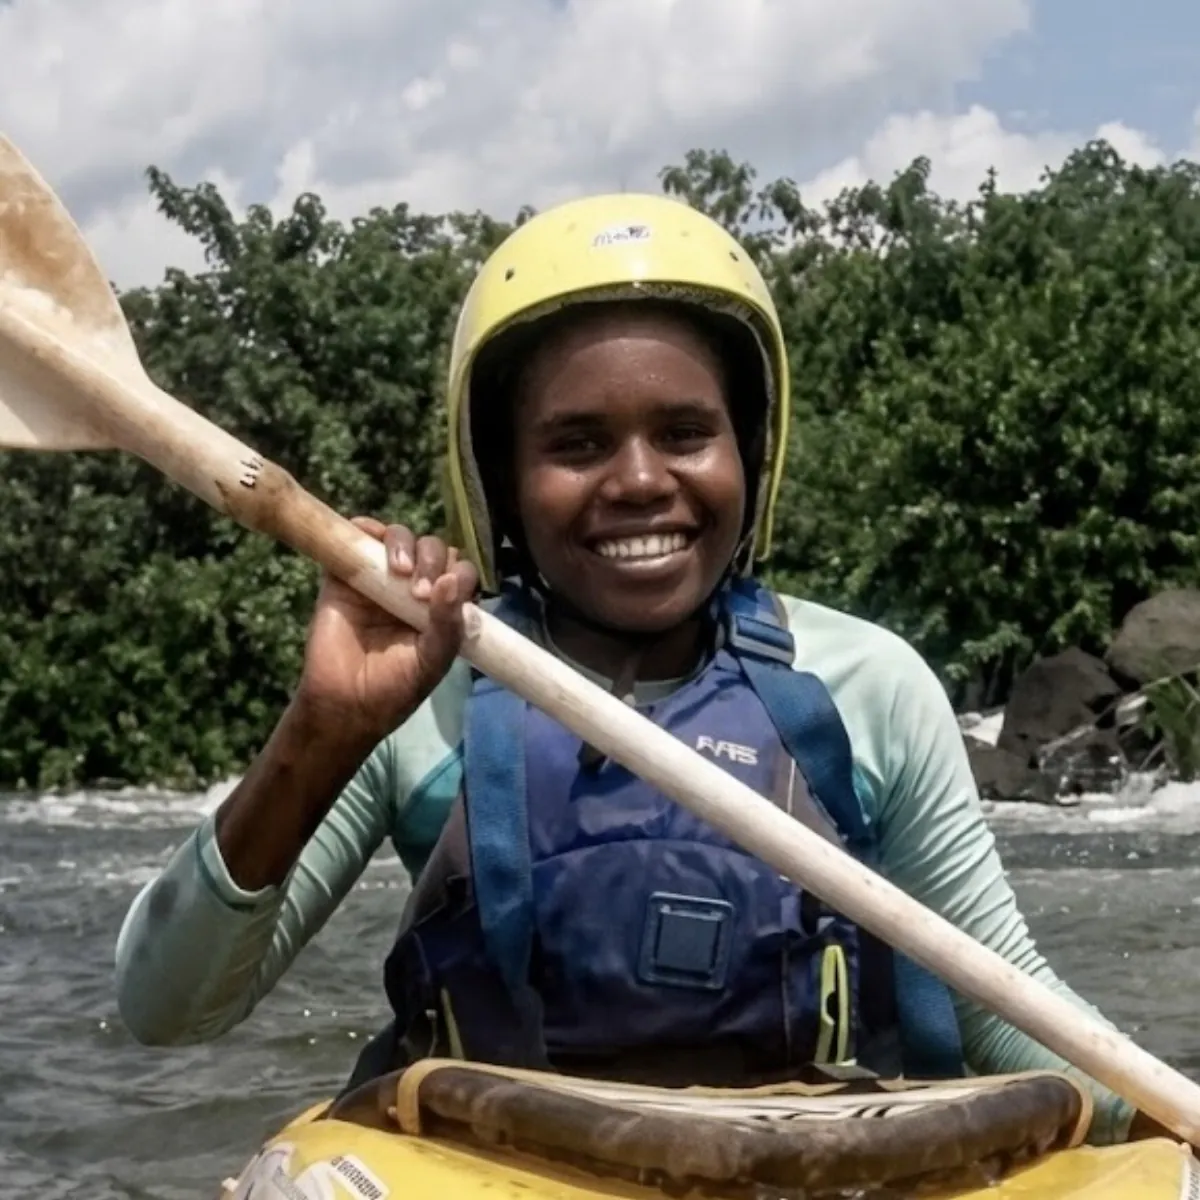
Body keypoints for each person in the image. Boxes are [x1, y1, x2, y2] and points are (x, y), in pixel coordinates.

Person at [116, 193, 1141, 1144]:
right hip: (504, 1171)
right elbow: (166, 1007)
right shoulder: (425, 692)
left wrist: (1159, 1115)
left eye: (686, 433)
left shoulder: (868, 685)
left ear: (750, 451)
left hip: (816, 1167)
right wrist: (326, 728)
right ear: (502, 482)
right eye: (577, 445)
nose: (642, 481)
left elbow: (1009, 1009)